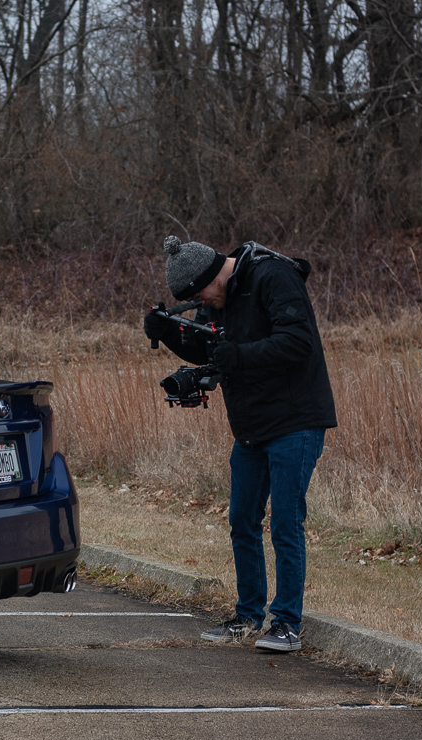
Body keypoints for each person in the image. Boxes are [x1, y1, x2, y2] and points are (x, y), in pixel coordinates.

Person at [144, 236, 336, 652]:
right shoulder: (217, 298)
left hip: (295, 421)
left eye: (200, 294)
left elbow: (299, 342)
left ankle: (286, 623)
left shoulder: (274, 277)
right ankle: (248, 616)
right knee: (241, 520)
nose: (202, 303)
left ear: (214, 274)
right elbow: (208, 348)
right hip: (251, 427)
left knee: (285, 523)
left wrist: (241, 356)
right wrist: (169, 332)